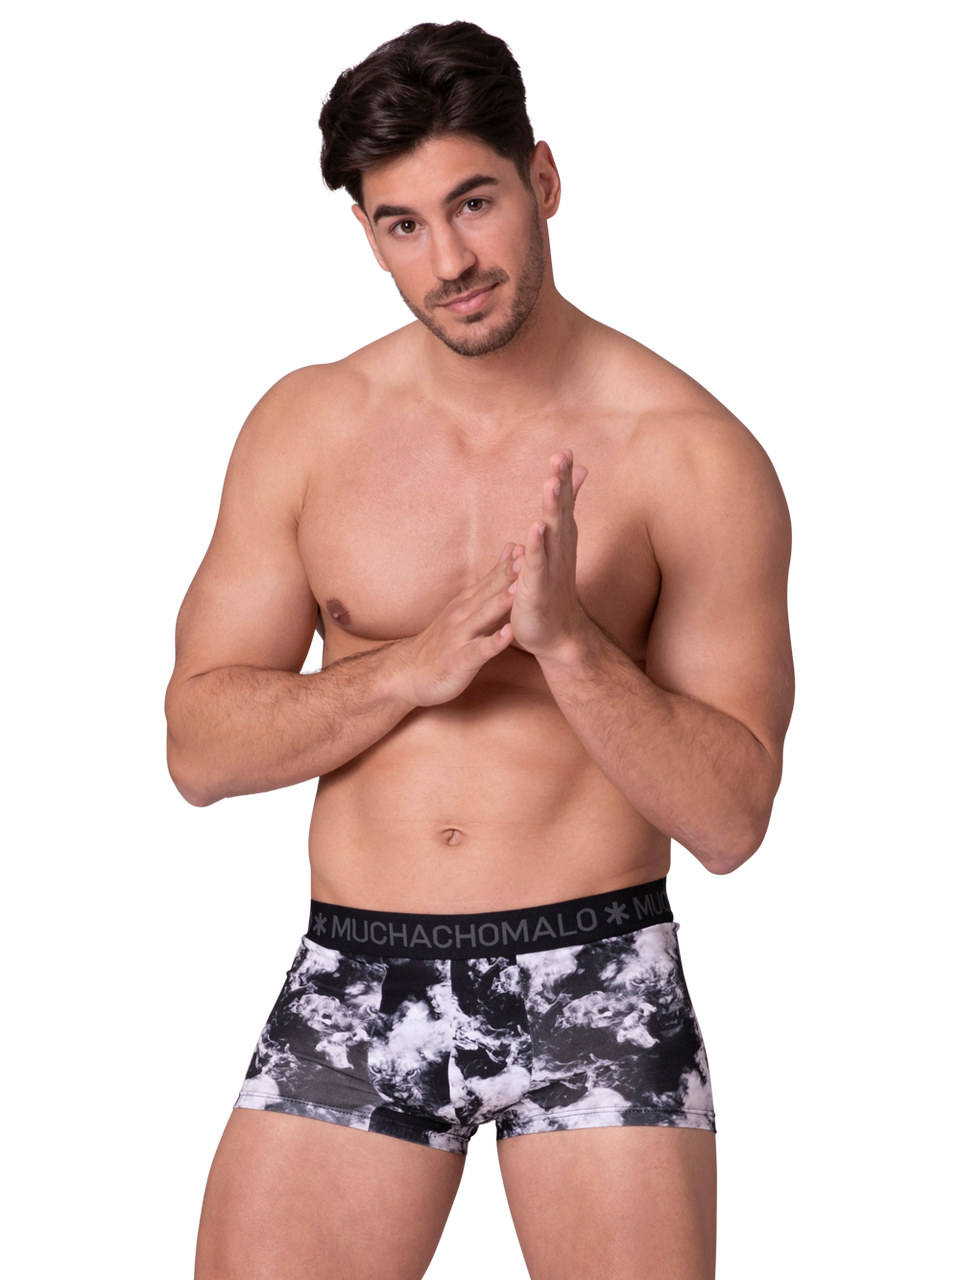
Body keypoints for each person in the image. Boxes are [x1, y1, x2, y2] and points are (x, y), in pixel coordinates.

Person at [167, 18, 795, 1280]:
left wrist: (571, 646)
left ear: (543, 179)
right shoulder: (307, 423)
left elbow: (732, 820)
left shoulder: (692, 451)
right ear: (366, 232)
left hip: (597, 972)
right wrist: (408, 667)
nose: (448, 260)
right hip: (356, 968)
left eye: (473, 202)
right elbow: (197, 751)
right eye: (402, 223)